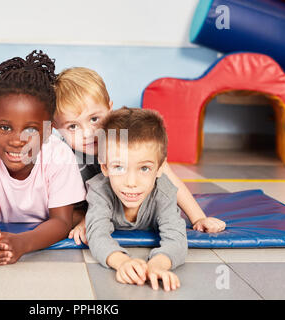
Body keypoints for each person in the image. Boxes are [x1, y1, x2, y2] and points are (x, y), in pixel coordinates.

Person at [53, 67, 226, 245]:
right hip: (96, 209)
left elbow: (169, 178)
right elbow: (61, 210)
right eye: (73, 127)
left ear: (109, 109)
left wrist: (198, 218)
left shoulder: (126, 138)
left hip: (131, 206)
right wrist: (83, 220)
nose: (88, 133)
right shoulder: (62, 158)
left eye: (95, 119)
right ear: (55, 127)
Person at [0, 50, 86, 265]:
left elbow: (61, 222)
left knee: (78, 216)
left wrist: (22, 243)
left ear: (47, 132)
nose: (17, 141)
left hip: (54, 220)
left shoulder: (59, 156)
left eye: (31, 130)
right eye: (5, 127)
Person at [85, 107, 187, 291]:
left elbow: (177, 239)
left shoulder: (164, 192)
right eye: (119, 167)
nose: (131, 183)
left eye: (144, 168)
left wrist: (157, 265)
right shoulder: (99, 190)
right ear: (105, 168)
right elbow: (96, 234)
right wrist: (121, 261)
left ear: (161, 168)